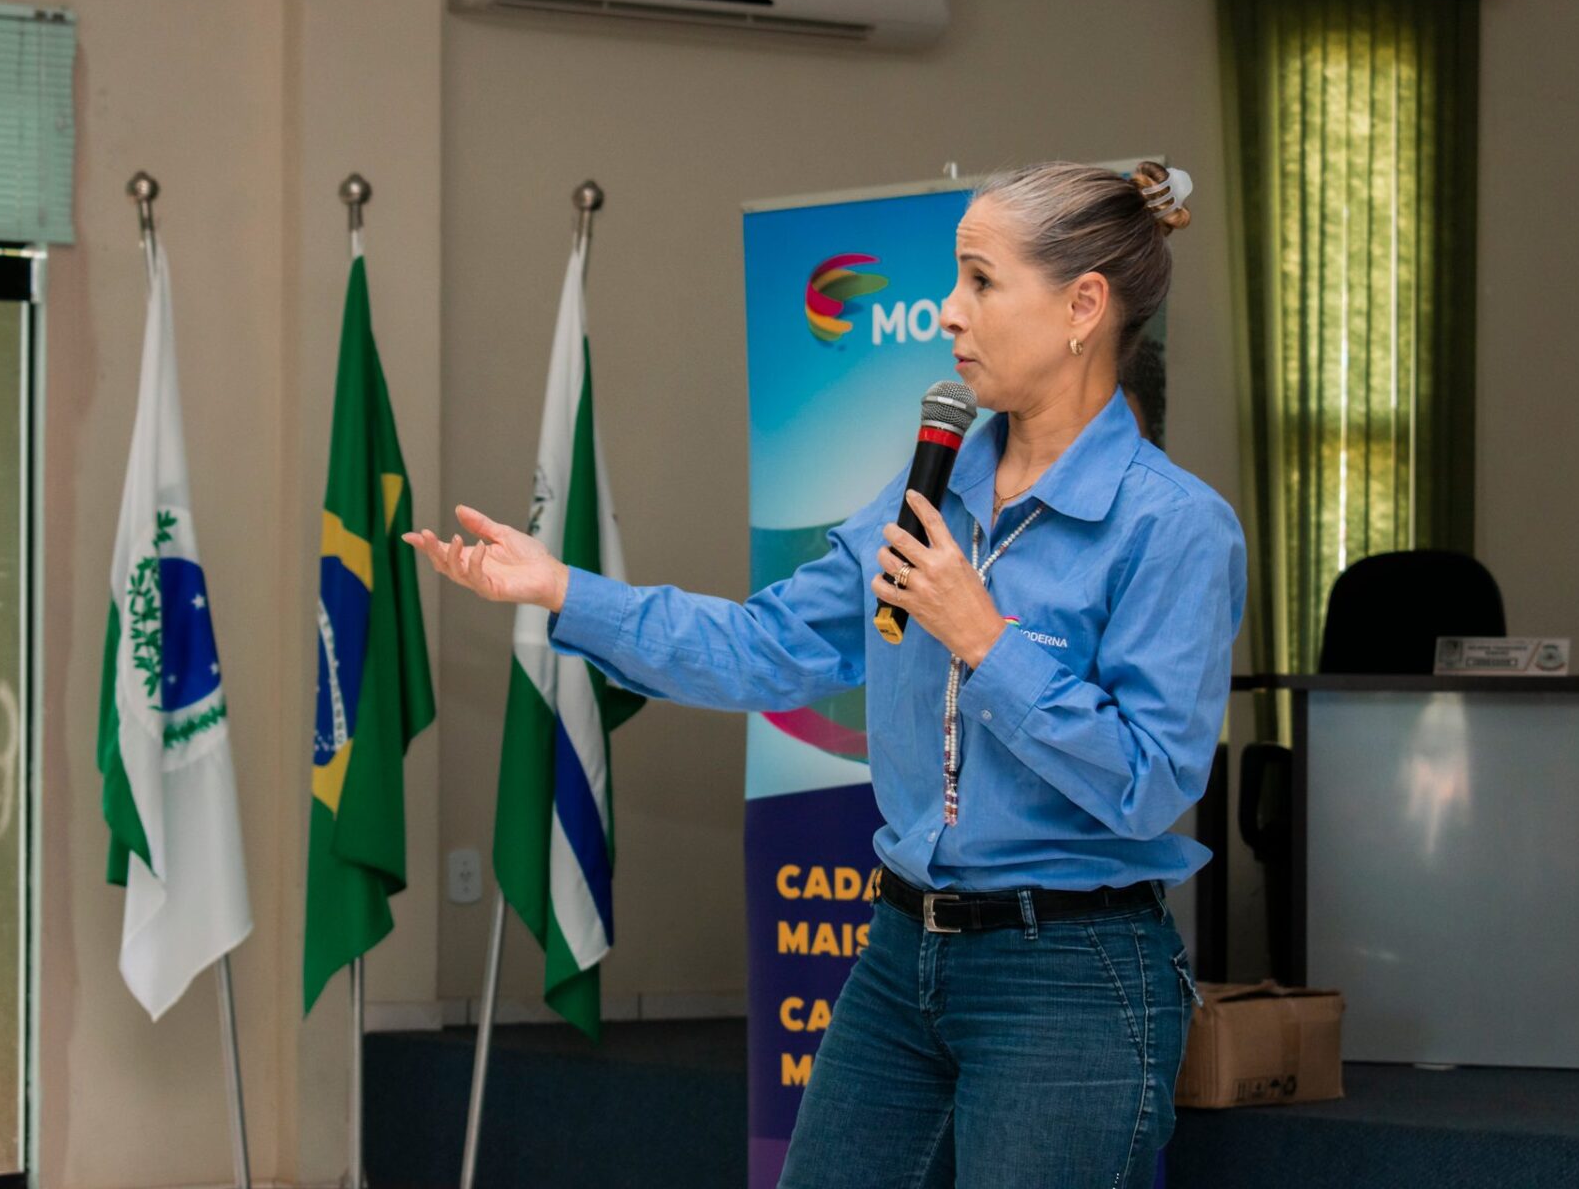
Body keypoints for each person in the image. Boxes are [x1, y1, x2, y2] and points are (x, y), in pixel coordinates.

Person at [405, 159, 1245, 1188]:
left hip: (1068, 973)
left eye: (981, 281)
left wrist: (986, 639)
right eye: (955, 279)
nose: (948, 311)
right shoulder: (931, 488)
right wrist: (565, 590)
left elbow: (1153, 780)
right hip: (904, 951)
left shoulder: (1176, 526)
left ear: (1081, 307)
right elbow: (765, 648)